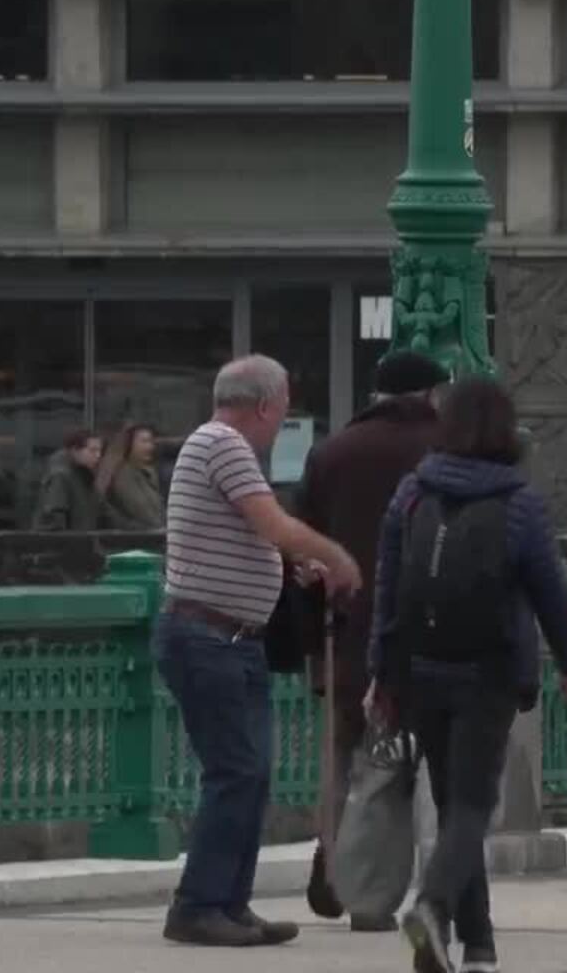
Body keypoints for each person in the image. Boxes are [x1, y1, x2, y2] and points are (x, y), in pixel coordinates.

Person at [370, 376, 567, 973]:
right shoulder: (519, 503)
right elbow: (551, 592)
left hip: (419, 669)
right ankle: (435, 908)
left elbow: (387, 587)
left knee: (452, 800)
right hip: (487, 674)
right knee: (472, 807)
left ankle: (479, 947)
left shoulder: (412, 493)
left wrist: (381, 670)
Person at [157, 354, 362, 948]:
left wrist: (287, 568)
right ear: (268, 405)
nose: (283, 421)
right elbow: (273, 523)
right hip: (208, 636)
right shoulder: (223, 443)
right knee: (236, 771)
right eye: (285, 408)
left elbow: (248, 534)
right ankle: (199, 904)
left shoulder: (219, 448)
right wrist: (338, 558)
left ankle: (229, 902)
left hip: (234, 637)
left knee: (250, 774)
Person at [294, 350, 449, 931]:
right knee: (436, 766)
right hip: (434, 631)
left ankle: (345, 867)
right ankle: (437, 895)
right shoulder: (448, 448)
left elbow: (302, 543)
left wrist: (310, 635)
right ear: (432, 393)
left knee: (352, 756)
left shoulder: (332, 451)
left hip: (349, 629)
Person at [97, 422, 166, 531]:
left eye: (151, 442)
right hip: (136, 538)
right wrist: (158, 529)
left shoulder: (148, 473)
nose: (149, 446)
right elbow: (140, 509)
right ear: (129, 444)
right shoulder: (122, 474)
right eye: (144, 441)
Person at [33, 429, 104, 531]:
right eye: (92, 450)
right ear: (75, 450)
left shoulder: (85, 478)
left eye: (100, 450)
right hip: (62, 545)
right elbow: (54, 524)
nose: (98, 455)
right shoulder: (60, 477)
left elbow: (106, 514)